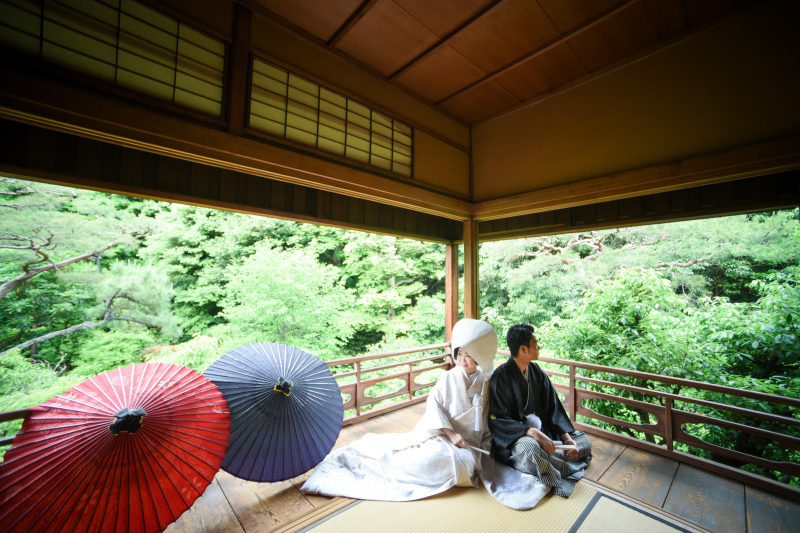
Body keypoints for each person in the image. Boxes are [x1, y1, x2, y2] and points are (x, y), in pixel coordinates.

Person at [302, 319, 549, 509]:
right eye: (459, 354)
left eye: (468, 355)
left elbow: (491, 417)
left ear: (479, 358)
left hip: (474, 445)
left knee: (463, 467)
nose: (463, 360)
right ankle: (390, 463)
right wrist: (451, 434)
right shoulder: (449, 378)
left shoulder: (488, 381)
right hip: (442, 436)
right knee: (431, 460)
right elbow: (435, 407)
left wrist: (487, 441)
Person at [488, 323, 592, 498]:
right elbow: (497, 420)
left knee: (583, 442)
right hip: (518, 440)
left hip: (544, 434)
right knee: (530, 449)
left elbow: (553, 407)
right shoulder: (500, 377)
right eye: (535, 344)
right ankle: (555, 476)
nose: (539, 347)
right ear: (523, 349)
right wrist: (532, 432)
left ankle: (553, 456)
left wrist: (566, 438)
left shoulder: (535, 371)